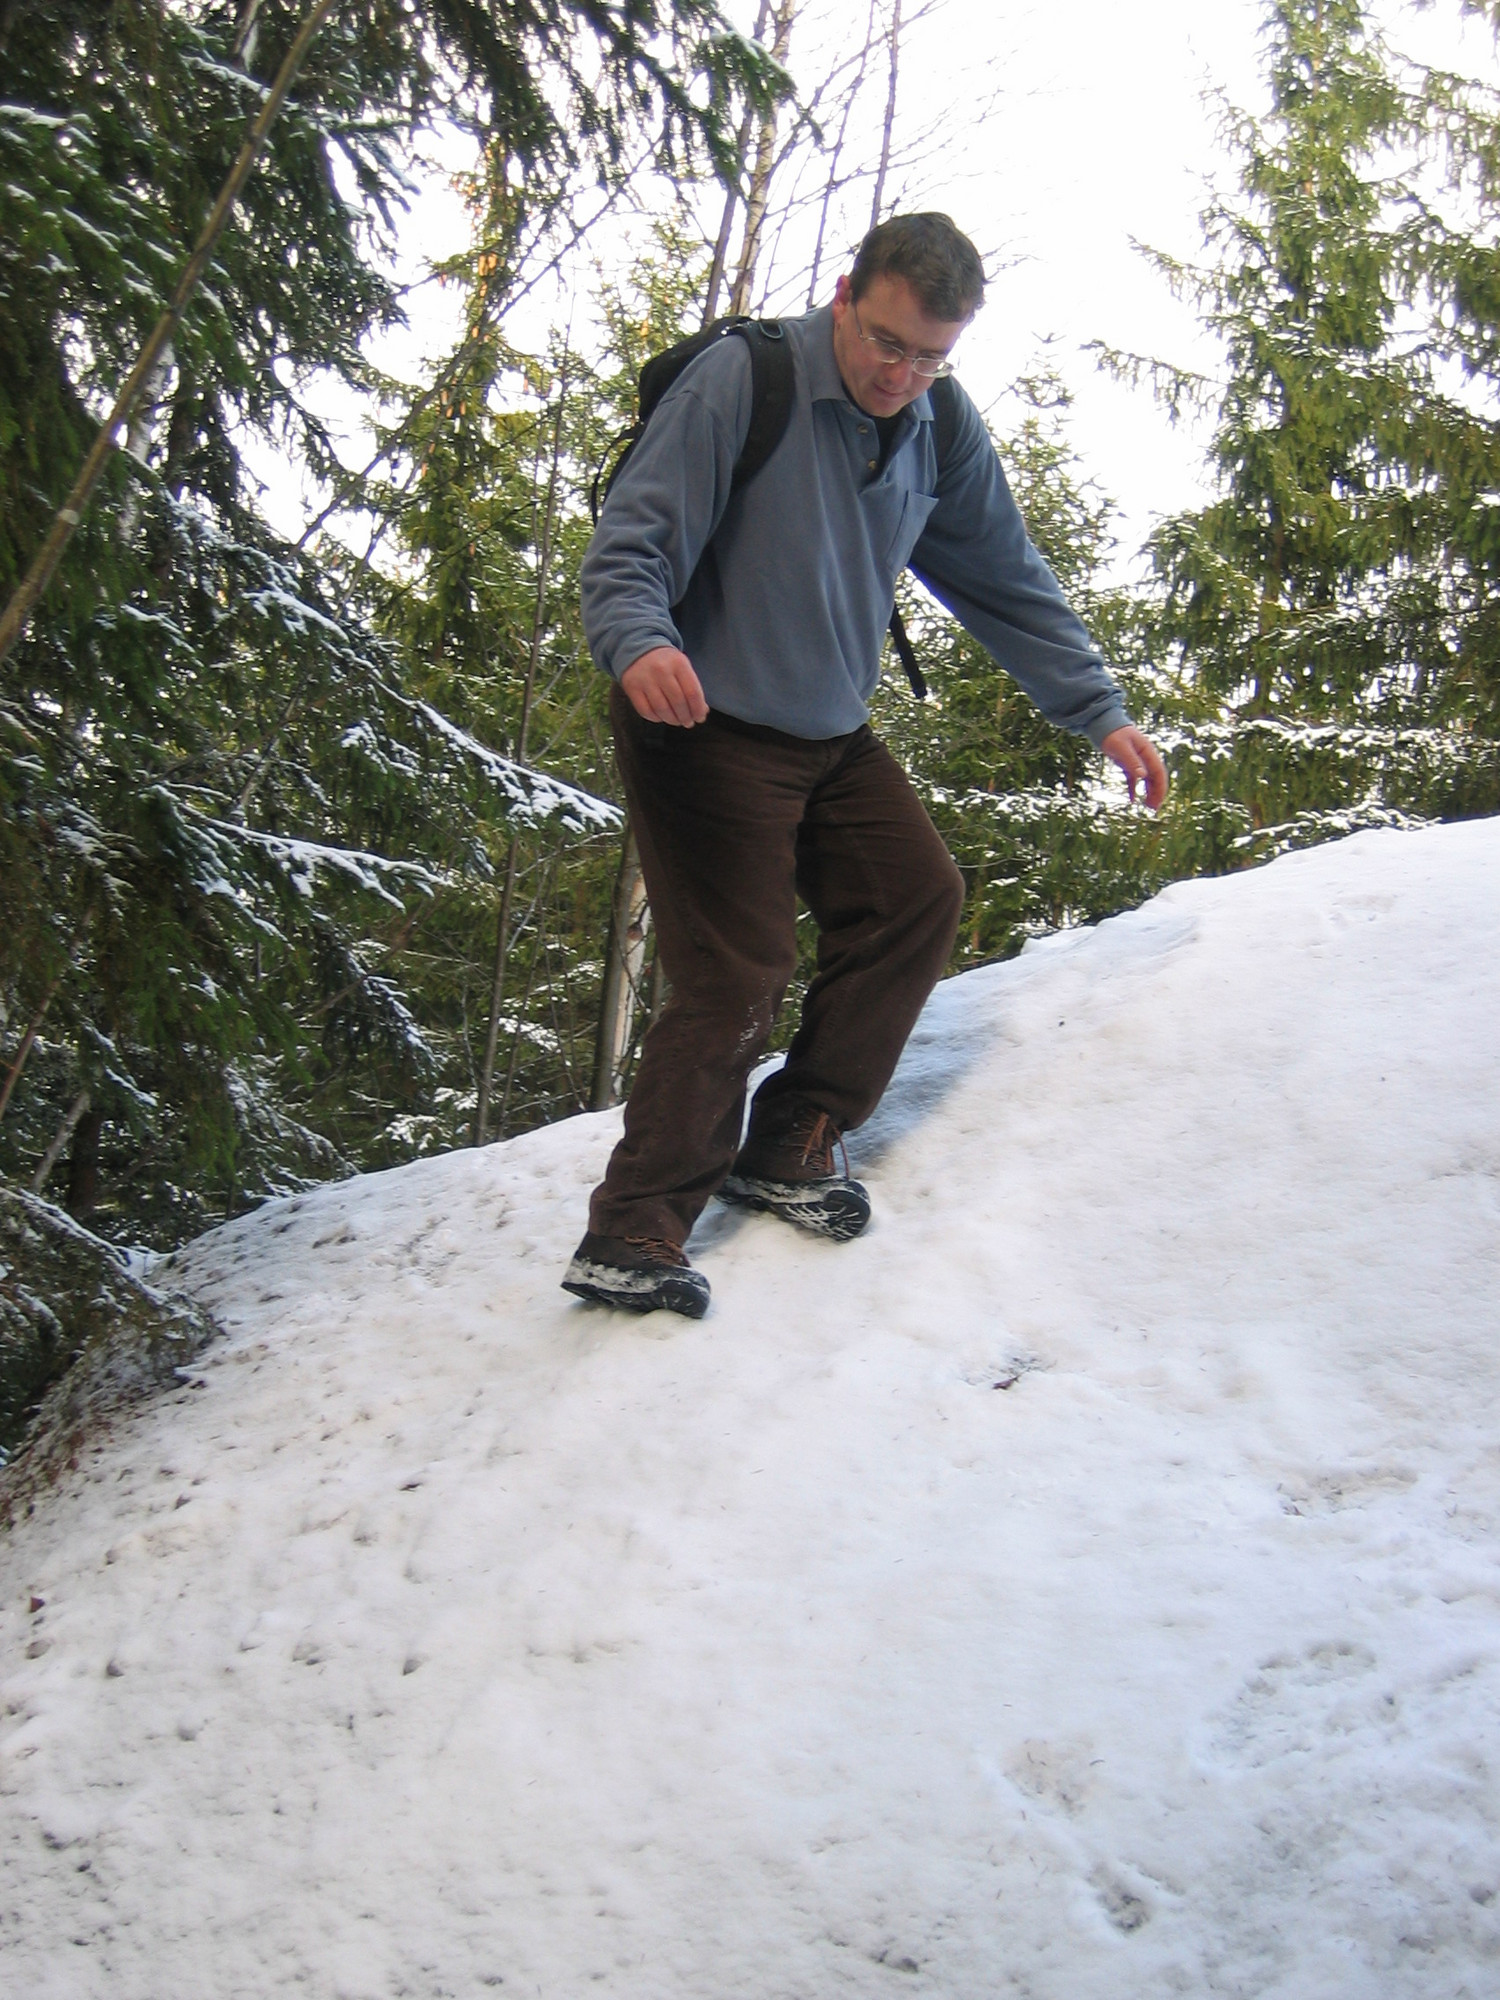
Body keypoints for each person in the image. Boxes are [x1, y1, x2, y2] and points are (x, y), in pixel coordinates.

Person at [563, 213, 1167, 1318]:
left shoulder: (938, 421)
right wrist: (641, 642)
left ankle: (791, 1135)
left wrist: (1099, 711)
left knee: (914, 898)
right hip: (699, 719)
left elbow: (1003, 573)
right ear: (846, 295)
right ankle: (634, 1226)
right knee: (738, 973)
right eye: (889, 343)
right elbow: (631, 544)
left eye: (932, 356)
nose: (903, 375)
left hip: (828, 732)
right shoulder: (744, 382)